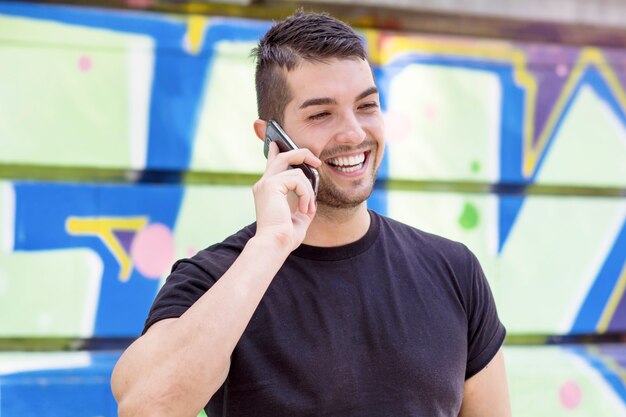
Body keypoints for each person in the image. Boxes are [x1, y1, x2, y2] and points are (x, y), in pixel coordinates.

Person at [111, 11, 511, 417]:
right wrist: (270, 245)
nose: (354, 132)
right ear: (271, 138)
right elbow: (147, 406)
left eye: (367, 105)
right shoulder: (215, 280)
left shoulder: (453, 271)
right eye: (321, 114)